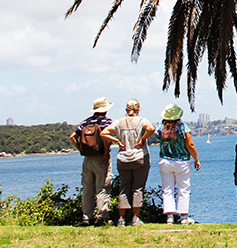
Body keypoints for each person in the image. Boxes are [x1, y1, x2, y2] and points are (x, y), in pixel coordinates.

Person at [101, 99, 155, 227]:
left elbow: (103, 133)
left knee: (124, 188)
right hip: (139, 156)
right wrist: (142, 139)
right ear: (138, 109)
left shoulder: (118, 122)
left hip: (123, 158)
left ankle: (121, 219)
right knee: (138, 187)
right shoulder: (141, 121)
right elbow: (151, 128)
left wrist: (117, 141)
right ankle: (135, 218)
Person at [69, 97, 114, 227]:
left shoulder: (86, 122)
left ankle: (86, 217)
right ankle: (101, 217)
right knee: (102, 188)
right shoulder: (106, 121)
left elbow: (72, 136)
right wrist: (106, 152)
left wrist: (81, 150)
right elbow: (105, 136)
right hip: (101, 157)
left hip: (88, 158)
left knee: (88, 188)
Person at [156, 103, 201, 224]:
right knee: (184, 188)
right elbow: (190, 144)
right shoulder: (183, 127)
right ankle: (183, 217)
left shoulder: (160, 127)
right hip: (181, 161)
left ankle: (169, 216)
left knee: (167, 188)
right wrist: (196, 159)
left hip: (165, 160)